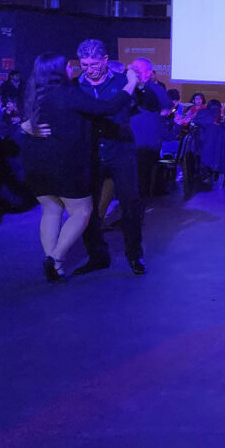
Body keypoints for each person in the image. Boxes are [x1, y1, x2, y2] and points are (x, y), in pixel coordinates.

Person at [19, 54, 140, 281]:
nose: (72, 68)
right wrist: (131, 82)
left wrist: (25, 127)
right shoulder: (69, 93)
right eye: (69, 65)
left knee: (51, 210)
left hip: (34, 160)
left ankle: (54, 265)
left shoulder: (34, 92)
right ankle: (55, 258)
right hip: (63, 162)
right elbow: (108, 107)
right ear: (60, 70)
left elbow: (23, 121)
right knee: (82, 212)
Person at [73, 39, 149, 276]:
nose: (89, 68)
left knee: (130, 206)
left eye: (94, 63)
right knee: (89, 210)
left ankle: (135, 256)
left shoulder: (123, 82)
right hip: (91, 153)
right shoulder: (75, 86)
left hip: (121, 152)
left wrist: (141, 86)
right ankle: (97, 256)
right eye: (84, 64)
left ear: (105, 60)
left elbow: (152, 105)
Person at [129, 57, 172, 198]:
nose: (133, 71)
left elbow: (166, 108)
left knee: (140, 182)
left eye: (137, 69)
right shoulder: (129, 87)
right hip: (129, 141)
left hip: (146, 143)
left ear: (148, 73)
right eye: (132, 68)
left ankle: (135, 216)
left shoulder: (155, 89)